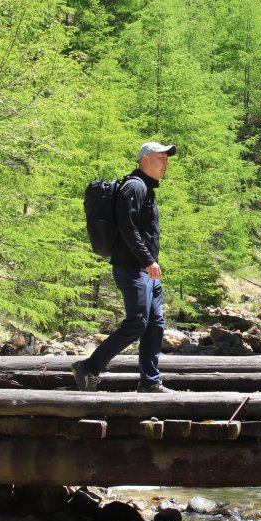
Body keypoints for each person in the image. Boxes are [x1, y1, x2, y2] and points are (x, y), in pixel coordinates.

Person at [73, 141, 176, 394]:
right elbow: (126, 227)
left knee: (155, 323)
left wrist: (149, 264)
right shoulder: (134, 186)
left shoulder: (146, 188)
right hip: (133, 268)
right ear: (145, 159)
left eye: (166, 159)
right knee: (137, 323)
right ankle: (89, 367)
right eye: (161, 158)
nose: (166, 164)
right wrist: (148, 260)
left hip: (146, 271)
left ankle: (150, 382)